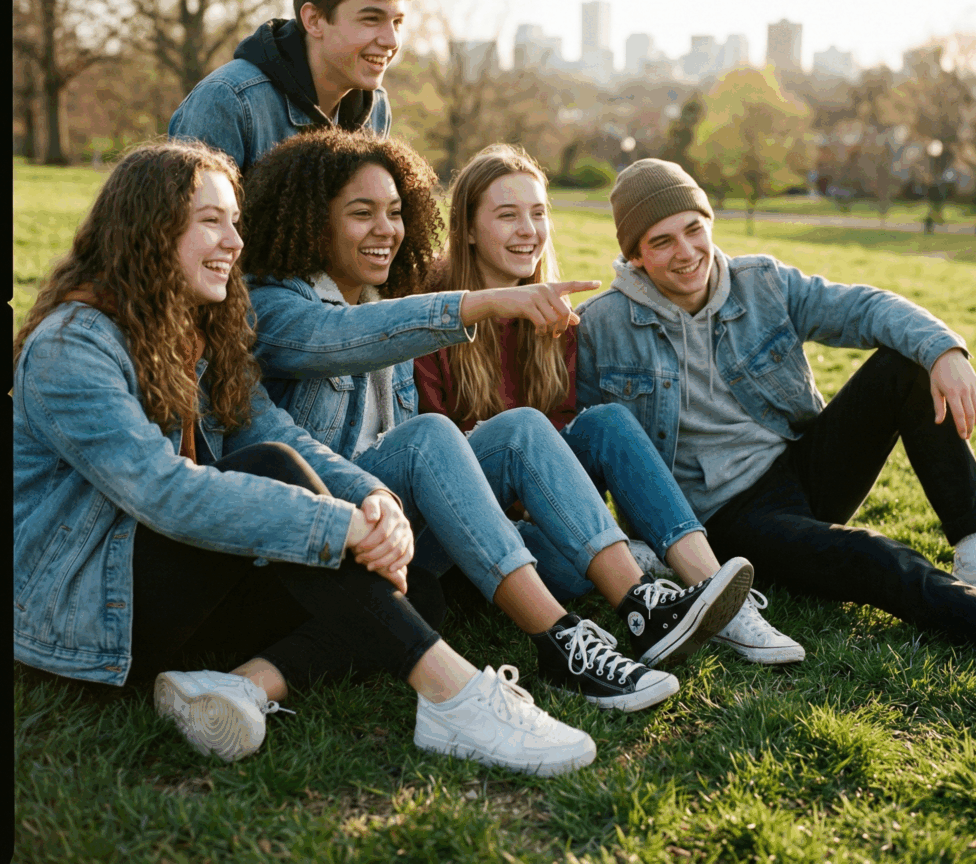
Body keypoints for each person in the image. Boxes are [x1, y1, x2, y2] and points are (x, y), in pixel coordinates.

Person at [13, 138, 601, 777]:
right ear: (148, 229)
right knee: (271, 472)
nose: (235, 243)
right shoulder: (73, 346)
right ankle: (455, 697)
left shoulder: (194, 333)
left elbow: (277, 429)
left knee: (416, 596)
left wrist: (374, 500)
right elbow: (166, 493)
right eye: (211, 221)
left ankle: (239, 687)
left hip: (172, 607)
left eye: (235, 223)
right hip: (86, 618)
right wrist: (337, 524)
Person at [241, 130, 753, 711]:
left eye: (394, 212)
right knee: (431, 436)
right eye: (362, 214)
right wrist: (486, 302)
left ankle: (642, 607)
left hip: (408, 530)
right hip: (334, 528)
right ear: (313, 222)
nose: (386, 229)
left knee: (524, 428)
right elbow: (344, 342)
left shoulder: (380, 296)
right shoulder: (277, 306)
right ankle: (562, 644)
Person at [575, 157, 976, 652]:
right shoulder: (599, 326)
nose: (687, 252)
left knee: (908, 365)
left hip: (803, 468)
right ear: (634, 256)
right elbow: (590, 448)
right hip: (724, 521)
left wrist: (943, 350)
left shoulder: (761, 282)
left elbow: (864, 307)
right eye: (662, 242)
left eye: (694, 230)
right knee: (873, 556)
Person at [415, 144, 803, 664]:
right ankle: (633, 565)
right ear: (465, 228)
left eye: (538, 213)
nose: (528, 229)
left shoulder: (553, 318)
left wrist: (546, 486)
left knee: (607, 422)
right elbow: (429, 435)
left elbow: (559, 422)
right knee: (570, 560)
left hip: (541, 498)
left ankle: (720, 598)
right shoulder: (431, 310)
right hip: (477, 516)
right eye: (507, 215)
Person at [169, 0, 416, 172]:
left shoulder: (377, 107)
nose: (391, 40)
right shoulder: (226, 102)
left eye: (397, 22)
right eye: (371, 19)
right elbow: (189, 214)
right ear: (314, 20)